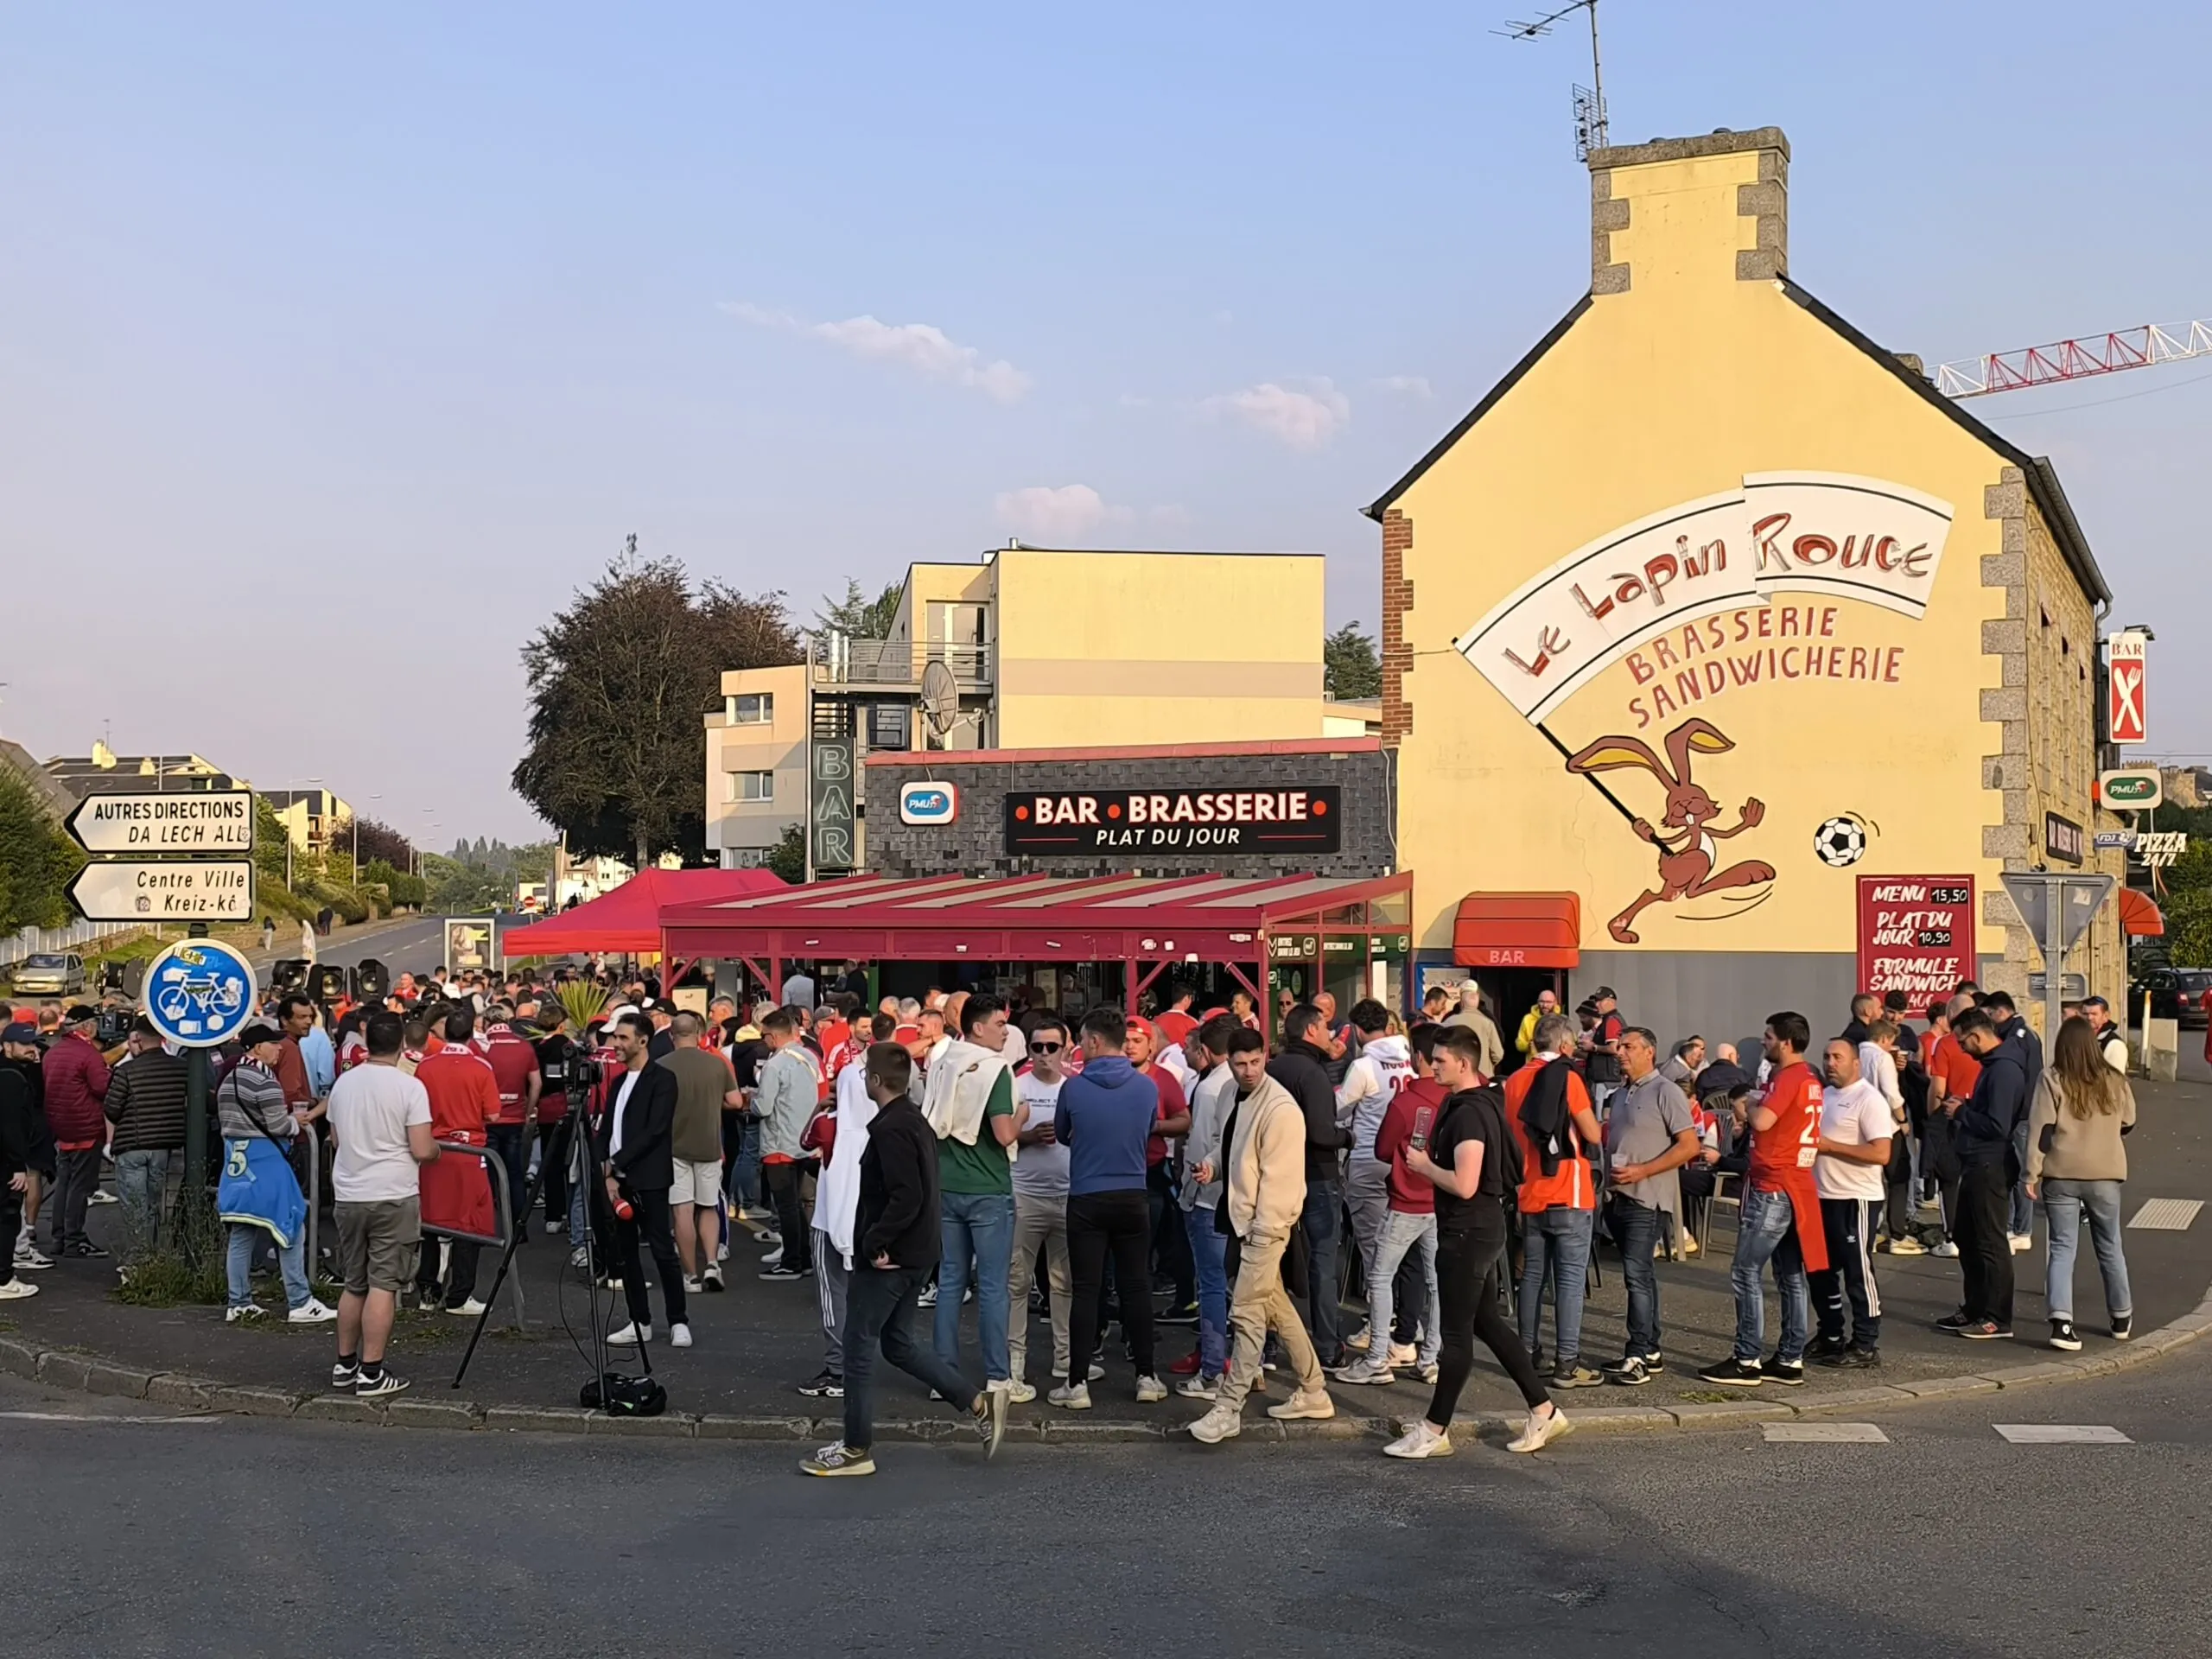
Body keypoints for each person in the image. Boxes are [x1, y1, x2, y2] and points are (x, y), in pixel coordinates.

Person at [801, 1043, 1007, 1476]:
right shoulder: (912, 1120)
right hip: (916, 1254)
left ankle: (857, 1448)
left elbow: (905, 1195)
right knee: (897, 1344)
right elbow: (919, 1192)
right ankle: (974, 1400)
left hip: (892, 1257)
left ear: (875, 1081)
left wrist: (876, 1242)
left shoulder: (890, 1128)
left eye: (865, 1075)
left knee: (857, 1346)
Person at [1387, 1026, 1568, 1459]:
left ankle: (1434, 1429)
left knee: (1456, 1334)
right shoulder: (1483, 1101)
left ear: (1463, 1063)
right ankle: (1543, 1409)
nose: (1432, 1066)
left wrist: (1424, 1166)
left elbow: (1465, 1183)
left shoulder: (1468, 1112)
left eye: (1441, 1060)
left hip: (1467, 1231)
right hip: (1482, 1228)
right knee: (1485, 1322)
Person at [1187, 1028, 1334, 1444]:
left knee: (1247, 1313)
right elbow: (1232, 1145)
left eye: (1255, 1062)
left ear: (1265, 1055)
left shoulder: (1281, 1109)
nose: (1249, 1071)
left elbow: (1281, 1181)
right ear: (1228, 1061)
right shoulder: (1233, 1095)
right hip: (1249, 1221)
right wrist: (1213, 1167)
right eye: (1240, 1064)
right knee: (1274, 1307)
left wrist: (1262, 1232)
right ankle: (1313, 1389)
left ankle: (1228, 1409)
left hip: (1263, 1226)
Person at [1699, 1012, 1828, 1386]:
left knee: (1746, 1270)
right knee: (1789, 1274)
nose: (1764, 1042)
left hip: (1774, 1182)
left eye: (1769, 1037)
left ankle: (1747, 1357)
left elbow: (1763, 1121)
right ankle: (1789, 1357)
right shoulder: (1810, 1079)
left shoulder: (1789, 1077)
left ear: (1786, 1042)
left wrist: (1747, 1105)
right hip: (1795, 1182)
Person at [1054, 1006, 1167, 1408]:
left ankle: (1077, 1383)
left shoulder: (1074, 1089)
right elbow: (1150, 1128)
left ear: (1095, 1042)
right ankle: (1147, 1376)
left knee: (1087, 1290)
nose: (1079, 1047)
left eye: (1083, 1040)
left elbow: (1064, 1134)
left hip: (1086, 1195)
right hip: (1133, 1192)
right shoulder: (1146, 1088)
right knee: (1137, 1286)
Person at [326, 1011, 437, 1398]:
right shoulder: (409, 1087)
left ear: (366, 1041)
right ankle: (371, 1371)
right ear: (403, 1045)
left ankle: (345, 1364)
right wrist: (437, 1149)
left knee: (354, 1282)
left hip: (349, 1192)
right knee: (383, 1284)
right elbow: (422, 1149)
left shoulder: (343, 1085)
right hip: (393, 1191)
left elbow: (337, 1140)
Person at [1336, 1021, 1447, 1388]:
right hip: (1442, 1200)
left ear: (1419, 1057)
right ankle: (1430, 1356)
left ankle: (1377, 1357)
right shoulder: (1456, 1098)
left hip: (1406, 1199)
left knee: (1381, 1276)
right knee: (1435, 1280)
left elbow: (1383, 1149)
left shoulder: (1407, 1102)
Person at [922, 991, 1020, 1395]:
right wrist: (1024, 1114)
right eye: (1000, 1024)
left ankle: (943, 1375)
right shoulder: (995, 1068)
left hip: (946, 1184)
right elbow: (1004, 1133)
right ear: (978, 1027)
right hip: (988, 1188)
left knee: (950, 1282)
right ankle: (998, 1376)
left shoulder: (943, 1060)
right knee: (994, 1286)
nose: (1005, 1032)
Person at [2026, 1014, 2136, 1351]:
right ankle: (2120, 1316)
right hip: (2105, 1173)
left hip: (2061, 1172)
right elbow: (2129, 1120)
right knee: (2110, 1245)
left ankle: (2061, 1322)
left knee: (2062, 1247)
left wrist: (2031, 1173)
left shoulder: (2052, 1078)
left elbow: (2041, 1129)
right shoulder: (2114, 1079)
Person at [1600, 1027, 1701, 1385]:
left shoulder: (1666, 1090)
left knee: (1635, 1274)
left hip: (1648, 1197)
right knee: (1640, 1274)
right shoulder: (1622, 1092)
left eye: (1628, 1047)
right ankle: (1650, 1349)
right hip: (1617, 1196)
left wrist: (1643, 1169)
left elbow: (1689, 1146)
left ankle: (1638, 1354)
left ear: (1649, 1051)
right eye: (1618, 1047)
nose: (1620, 1053)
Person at [1509, 1014, 1605, 1389]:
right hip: (1570, 1188)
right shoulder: (1568, 1078)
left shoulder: (1515, 1081)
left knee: (1532, 1275)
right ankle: (1567, 1362)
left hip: (1530, 1189)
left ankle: (1528, 1352)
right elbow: (1591, 1133)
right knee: (1568, 1279)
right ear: (1565, 1045)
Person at [216, 1020, 334, 1325]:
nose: (279, 1047)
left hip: (236, 1164)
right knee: (291, 1225)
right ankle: (300, 1300)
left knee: (242, 1234)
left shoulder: (229, 1079)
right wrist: (298, 1123)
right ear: (257, 1048)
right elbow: (280, 1126)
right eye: (272, 1043)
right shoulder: (265, 1082)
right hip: (266, 1163)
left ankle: (239, 1301)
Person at [804, 1010, 894, 1400]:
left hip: (832, 1209)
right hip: (874, 1210)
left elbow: (804, 1140)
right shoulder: (894, 1126)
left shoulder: (830, 1125)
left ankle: (838, 1369)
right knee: (870, 1291)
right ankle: (858, 1364)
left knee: (833, 1290)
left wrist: (825, 1104)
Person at [595, 1009, 692, 1345]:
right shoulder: (619, 1082)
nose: (616, 1044)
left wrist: (616, 1161)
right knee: (626, 1254)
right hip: (617, 1180)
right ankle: (639, 1321)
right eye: (615, 1038)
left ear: (643, 1040)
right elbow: (607, 1127)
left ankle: (678, 1320)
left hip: (649, 1178)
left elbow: (655, 1130)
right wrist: (603, 1167)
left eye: (623, 1038)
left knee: (663, 1250)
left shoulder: (663, 1080)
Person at [1269, 1004, 1351, 1370]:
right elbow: (1321, 1133)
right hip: (1317, 1175)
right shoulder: (1313, 1074)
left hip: (1276, 1175)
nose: (1331, 1033)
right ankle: (1326, 1344)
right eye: (1325, 1027)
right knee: (1322, 1259)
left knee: (1272, 1263)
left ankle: (1267, 1346)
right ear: (1311, 1030)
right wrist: (1347, 1136)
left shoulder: (1272, 1068)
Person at [1804, 1039, 1897, 1368]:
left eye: (1837, 1058)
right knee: (1819, 1271)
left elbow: (1881, 1153)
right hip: (1822, 1196)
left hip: (1856, 1198)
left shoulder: (1868, 1099)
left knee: (1858, 1270)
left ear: (1855, 1063)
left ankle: (1865, 1342)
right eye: (1827, 1057)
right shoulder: (1825, 1095)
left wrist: (1829, 1147)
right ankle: (1830, 1335)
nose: (1830, 1063)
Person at [1942, 1007, 2027, 1340]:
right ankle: (1975, 1307)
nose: (1962, 1049)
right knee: (1966, 1235)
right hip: (1977, 1161)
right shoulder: (1994, 1066)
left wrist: (1962, 1111)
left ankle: (1997, 1316)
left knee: (1990, 1240)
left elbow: (1998, 1124)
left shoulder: (2004, 1070)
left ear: (1977, 1036)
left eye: (1963, 1042)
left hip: (1990, 1163)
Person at [413, 1007, 501, 1317]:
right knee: (469, 1225)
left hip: (433, 1151)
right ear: (470, 1033)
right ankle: (459, 1296)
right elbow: (493, 1114)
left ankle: (427, 1290)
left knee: (431, 1221)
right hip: (469, 1152)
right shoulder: (481, 1066)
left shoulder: (426, 1066)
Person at [1008, 1014, 1076, 1403]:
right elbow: (1000, 1134)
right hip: (1025, 1194)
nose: (1045, 1055)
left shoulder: (1075, 1087)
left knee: (1064, 1283)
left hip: (1068, 1194)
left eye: (1053, 1047)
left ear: (1066, 1048)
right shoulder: (1017, 1087)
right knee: (1016, 1281)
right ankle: (1014, 1363)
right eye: (1038, 1047)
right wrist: (1029, 1137)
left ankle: (1065, 1359)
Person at [1174, 1014, 1241, 1397]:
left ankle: (1213, 1369)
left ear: (1206, 1050)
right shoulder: (1255, 1085)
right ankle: (1253, 1361)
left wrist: (1188, 1191)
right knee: (1245, 1286)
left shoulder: (1209, 1089)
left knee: (1213, 1284)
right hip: (1244, 1196)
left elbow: (1199, 1147)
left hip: (1208, 1197)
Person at [659, 1012, 740, 1294]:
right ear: (699, 1034)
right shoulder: (716, 1064)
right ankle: (713, 1264)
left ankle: (690, 1275)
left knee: (682, 1210)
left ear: (672, 1036)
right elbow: (736, 1101)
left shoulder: (660, 1066)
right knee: (708, 1207)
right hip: (709, 1144)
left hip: (673, 1147)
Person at [102, 1018, 189, 1270]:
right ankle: (153, 1259)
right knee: (154, 1204)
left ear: (137, 1038)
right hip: (164, 1146)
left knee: (135, 1207)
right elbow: (202, 1100)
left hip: (131, 1145)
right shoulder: (181, 1067)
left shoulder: (127, 1071)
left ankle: (140, 1263)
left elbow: (112, 1109)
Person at [753, 1009, 820, 1280]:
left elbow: (764, 1106)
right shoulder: (809, 1057)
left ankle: (791, 1260)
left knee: (787, 1206)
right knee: (797, 1204)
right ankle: (804, 1258)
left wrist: (751, 1102)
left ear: (772, 1036)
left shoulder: (775, 1064)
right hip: (803, 1139)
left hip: (779, 1142)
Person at [39, 1006, 110, 1258]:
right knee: (81, 1186)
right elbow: (102, 1087)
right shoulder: (88, 1054)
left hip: (61, 1126)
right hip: (86, 1126)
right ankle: (74, 1239)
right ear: (87, 1026)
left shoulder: (53, 1052)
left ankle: (59, 1237)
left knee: (64, 1184)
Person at [1980, 990, 2043, 1251]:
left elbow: (2020, 1080)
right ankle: (2019, 1227)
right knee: (2019, 1171)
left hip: (2020, 1116)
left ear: (2000, 1012)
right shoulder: (2027, 1034)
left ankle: (2021, 1229)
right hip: (2024, 1114)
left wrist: (2014, 1113)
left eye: (1990, 1015)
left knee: (2018, 1174)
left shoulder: (2015, 1040)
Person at [1922, 994, 1979, 1260]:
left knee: (1949, 1179)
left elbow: (1938, 1086)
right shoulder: (1990, 1039)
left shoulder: (1945, 1044)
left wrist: (1932, 1114)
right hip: (1980, 1114)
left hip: (1952, 1113)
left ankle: (1953, 1235)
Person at [480, 1007, 542, 1233]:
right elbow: (536, 1084)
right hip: (515, 1119)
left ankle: (488, 1228)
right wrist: (528, 1110)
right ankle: (519, 1228)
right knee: (515, 1173)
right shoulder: (524, 1046)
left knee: (488, 1176)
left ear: (488, 1022)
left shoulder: (483, 1047)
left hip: (487, 1120)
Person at [1443, 984, 1504, 1078]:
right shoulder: (1488, 1023)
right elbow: (1498, 1054)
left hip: (1455, 1078)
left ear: (1461, 1002)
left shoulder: (1448, 1022)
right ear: (1477, 1001)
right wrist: (1487, 1065)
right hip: (1482, 1078)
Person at [1580, 987, 1625, 1110]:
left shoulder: (1611, 1020)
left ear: (1612, 1002)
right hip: (1606, 1077)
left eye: (1600, 1001)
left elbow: (1614, 1049)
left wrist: (1593, 1047)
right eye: (1596, 1001)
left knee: (1601, 1117)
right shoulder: (1608, 1019)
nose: (1597, 1004)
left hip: (1607, 1080)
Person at [2078, 997, 2129, 1074]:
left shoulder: (2114, 1045)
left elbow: (2114, 1079)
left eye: (2094, 1014)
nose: (2089, 1017)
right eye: (2085, 1014)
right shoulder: (2080, 1038)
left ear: (2105, 1016)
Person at [1515, 988, 1562, 1063]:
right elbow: (1519, 1044)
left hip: (1555, 1063)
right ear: (1537, 1002)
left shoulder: (1561, 1020)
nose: (1545, 1005)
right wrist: (1529, 1045)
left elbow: (1569, 1044)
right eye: (1542, 1001)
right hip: (1534, 1063)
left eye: (1548, 1002)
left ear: (1555, 1003)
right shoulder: (1528, 1019)